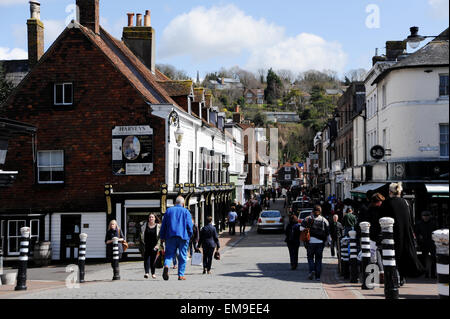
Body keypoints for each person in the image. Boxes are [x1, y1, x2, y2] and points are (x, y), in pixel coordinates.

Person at [381, 182, 424, 286]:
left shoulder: (387, 203)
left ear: (390, 192)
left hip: (393, 233)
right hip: (406, 232)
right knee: (404, 254)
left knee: (392, 256)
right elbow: (410, 220)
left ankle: (394, 278)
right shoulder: (406, 202)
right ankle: (402, 277)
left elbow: (382, 219)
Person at [159, 196, 193, 281]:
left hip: (170, 236)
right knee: (182, 256)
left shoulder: (168, 211)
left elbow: (163, 226)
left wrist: (162, 237)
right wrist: (189, 235)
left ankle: (166, 266)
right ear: (183, 203)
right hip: (183, 236)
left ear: (175, 203)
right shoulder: (186, 211)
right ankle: (180, 275)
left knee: (169, 255)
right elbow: (190, 225)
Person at [301, 205, 330, 281]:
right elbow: (327, 232)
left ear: (313, 211)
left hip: (310, 242)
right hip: (320, 242)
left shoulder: (308, 219)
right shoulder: (324, 220)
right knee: (318, 259)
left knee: (310, 257)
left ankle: (312, 270)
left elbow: (301, 228)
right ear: (320, 212)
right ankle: (317, 277)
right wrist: (329, 242)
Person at [414, 211, 438, 278]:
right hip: (423, 243)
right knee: (424, 259)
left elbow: (436, 233)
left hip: (432, 243)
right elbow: (416, 233)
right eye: (424, 216)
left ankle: (433, 274)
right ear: (422, 216)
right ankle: (426, 274)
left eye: (427, 216)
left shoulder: (433, 223)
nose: (426, 217)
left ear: (430, 216)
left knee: (433, 259)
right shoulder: (419, 224)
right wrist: (419, 239)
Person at [140, 213, 162, 279]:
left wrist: (158, 245)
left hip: (155, 246)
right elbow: (141, 235)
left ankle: (153, 273)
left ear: (155, 218)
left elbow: (160, 237)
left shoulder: (158, 226)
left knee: (153, 260)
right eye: (150, 217)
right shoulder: (144, 226)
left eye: (152, 217)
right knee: (146, 259)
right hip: (146, 245)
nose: (151, 218)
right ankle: (146, 273)